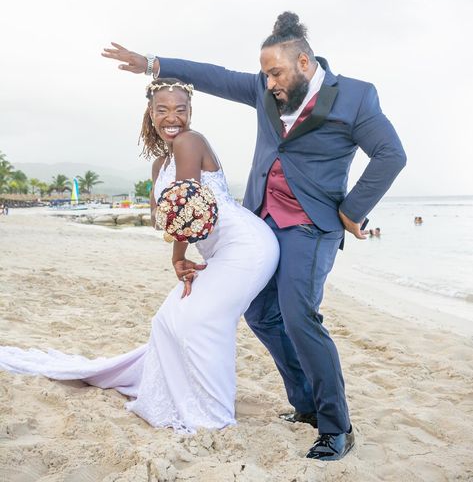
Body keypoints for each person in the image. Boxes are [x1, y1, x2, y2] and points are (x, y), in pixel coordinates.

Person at [101, 11, 407, 461]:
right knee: (262, 315)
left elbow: (390, 155)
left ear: (304, 63)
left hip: (311, 224)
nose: (268, 83)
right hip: (261, 219)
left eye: (276, 72)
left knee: (299, 315)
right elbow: (214, 76)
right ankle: (304, 404)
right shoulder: (266, 89)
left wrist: (352, 210)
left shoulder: (357, 97)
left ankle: (336, 425)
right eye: (264, 74)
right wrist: (152, 63)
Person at [0, 79, 279, 434]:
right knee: (168, 320)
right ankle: (185, 394)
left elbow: (187, 206)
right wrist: (177, 249)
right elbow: (163, 217)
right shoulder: (159, 165)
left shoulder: (190, 142)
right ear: (150, 114)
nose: (172, 117)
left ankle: (214, 416)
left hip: (246, 246)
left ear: (191, 113)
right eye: (162, 110)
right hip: (219, 249)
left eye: (180, 109)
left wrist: (177, 257)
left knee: (202, 322)